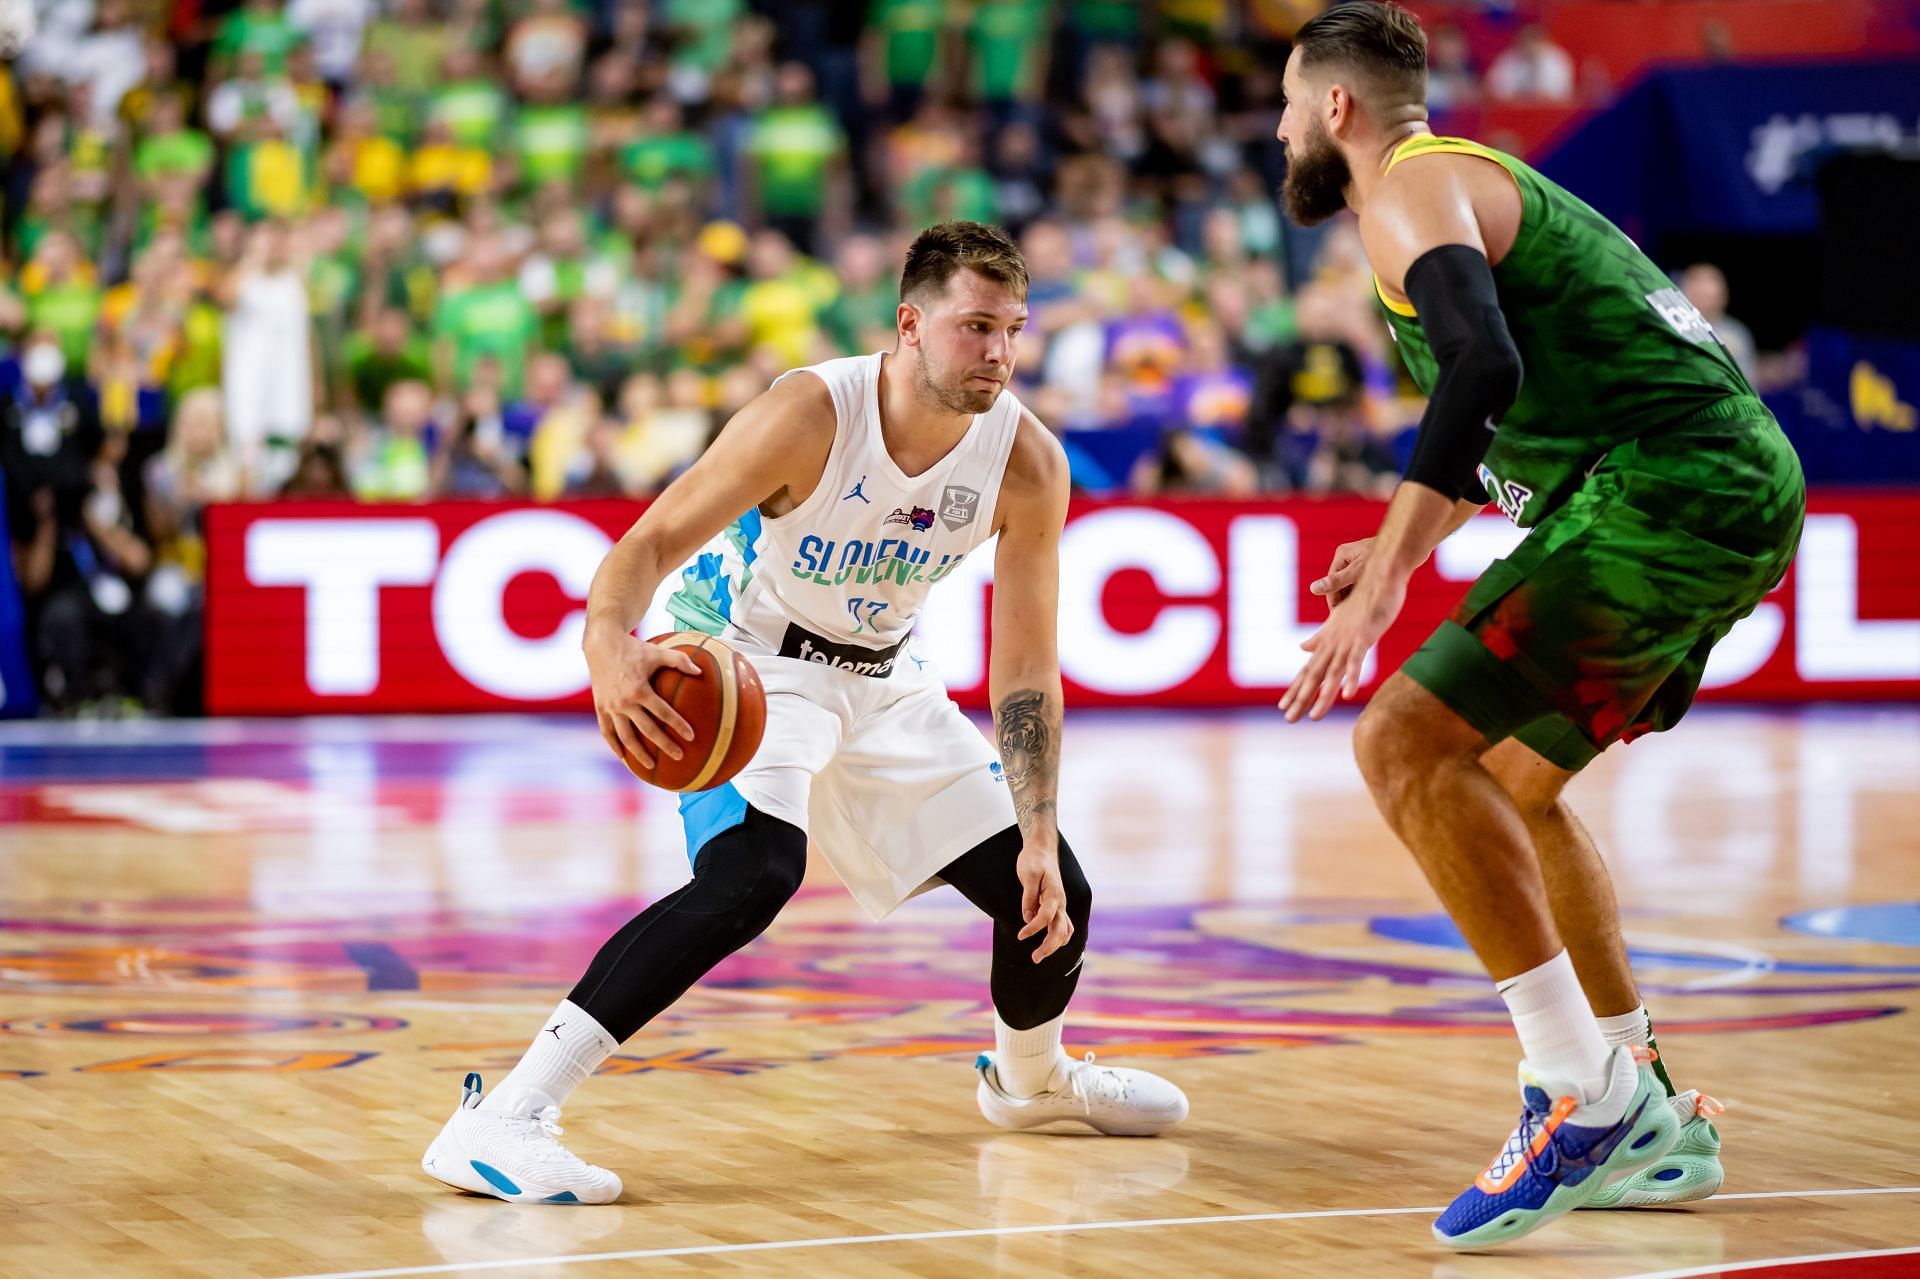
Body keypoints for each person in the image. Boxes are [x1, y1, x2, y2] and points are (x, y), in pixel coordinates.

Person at [423, 221, 1187, 1204]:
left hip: (889, 676)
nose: (998, 352)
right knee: (755, 874)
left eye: (1012, 329)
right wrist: (605, 640)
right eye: (974, 327)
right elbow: (649, 542)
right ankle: (505, 1116)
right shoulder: (811, 412)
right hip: (752, 661)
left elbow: (1028, 668)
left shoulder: (1027, 461)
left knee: (1055, 895)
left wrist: (1037, 827)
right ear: (910, 325)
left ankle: (1031, 1083)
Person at [1270, 3, 1804, 1249]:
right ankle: (1649, 1106)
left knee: (1402, 744)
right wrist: (1421, 524)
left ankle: (1576, 1091)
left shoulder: (1408, 190)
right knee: (1513, 782)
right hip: (1707, 478)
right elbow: (1536, 401)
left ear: (1337, 108)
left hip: (1672, 483)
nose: (1283, 127)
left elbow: (1483, 367)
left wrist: (1399, 565)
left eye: (1292, 104)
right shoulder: (1454, 187)